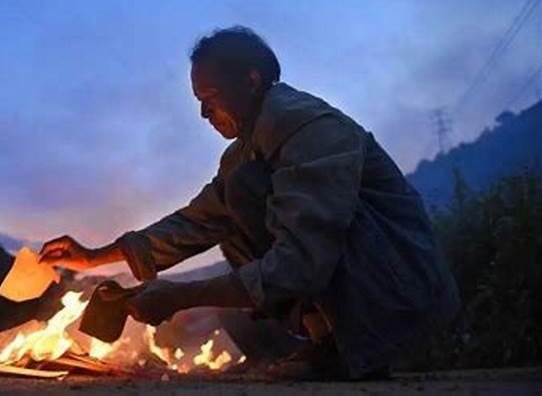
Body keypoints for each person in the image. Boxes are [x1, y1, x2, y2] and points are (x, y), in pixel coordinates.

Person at [39, 26, 459, 379]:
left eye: (210, 98)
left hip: (400, 294)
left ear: (252, 81)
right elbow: (194, 222)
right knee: (237, 198)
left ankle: (347, 345)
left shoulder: (311, 128)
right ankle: (329, 341)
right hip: (362, 293)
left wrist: (177, 296)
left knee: (246, 199)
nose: (204, 113)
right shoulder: (244, 153)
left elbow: (300, 262)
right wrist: (93, 258)